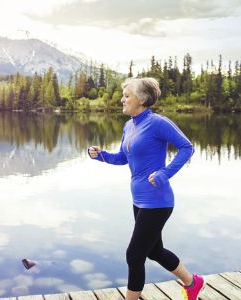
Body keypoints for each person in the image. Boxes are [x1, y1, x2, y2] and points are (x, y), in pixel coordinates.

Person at [88, 77, 205, 300]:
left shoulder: (158, 123)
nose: (122, 99)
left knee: (134, 255)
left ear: (141, 99)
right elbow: (123, 157)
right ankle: (193, 283)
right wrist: (101, 155)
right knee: (154, 251)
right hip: (139, 200)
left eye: (127, 95)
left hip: (158, 201)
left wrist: (165, 173)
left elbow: (186, 147)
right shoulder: (129, 125)